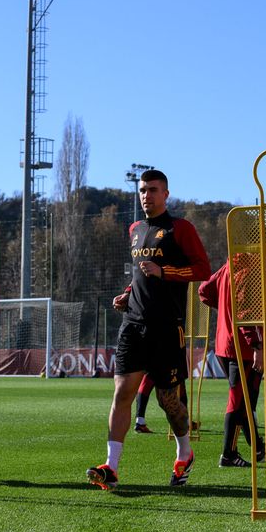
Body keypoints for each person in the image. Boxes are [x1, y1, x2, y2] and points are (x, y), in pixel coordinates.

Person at [86, 170, 211, 490]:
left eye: (153, 190)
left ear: (166, 194)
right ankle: (111, 467)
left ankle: (185, 451)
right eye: (142, 190)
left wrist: (164, 270)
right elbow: (141, 275)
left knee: (168, 400)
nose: (146, 195)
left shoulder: (180, 228)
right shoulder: (134, 229)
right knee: (122, 392)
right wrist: (128, 294)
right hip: (133, 325)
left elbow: (203, 269)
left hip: (167, 328)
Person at [198, 259, 266, 467]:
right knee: (238, 401)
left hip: (224, 342)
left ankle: (257, 446)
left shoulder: (229, 266)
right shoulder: (250, 270)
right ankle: (228, 454)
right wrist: (257, 346)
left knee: (243, 399)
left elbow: (204, 291)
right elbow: (247, 313)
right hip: (242, 347)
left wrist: (223, 307)